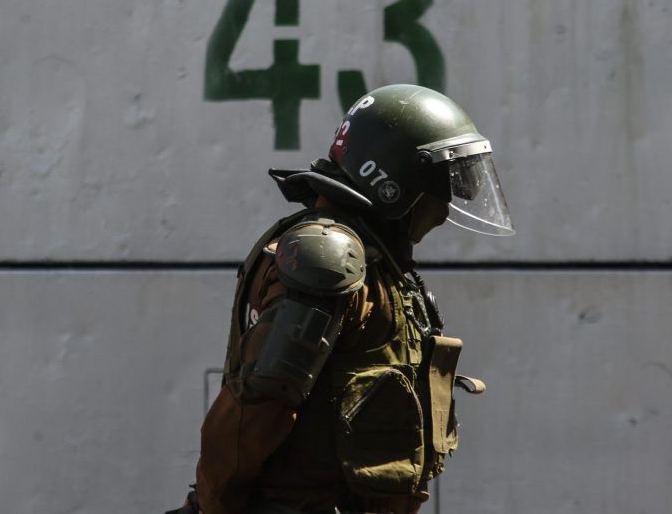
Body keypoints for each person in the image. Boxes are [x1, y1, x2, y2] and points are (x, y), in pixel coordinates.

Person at [168, 84, 514, 514]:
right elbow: (259, 404)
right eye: (440, 187)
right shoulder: (328, 259)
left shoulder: (378, 263)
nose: (444, 208)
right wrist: (213, 507)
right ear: (396, 182)